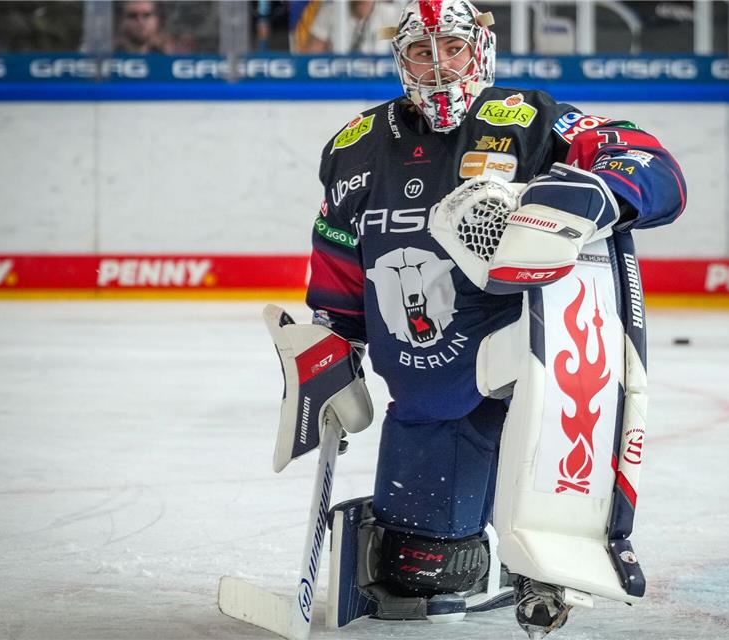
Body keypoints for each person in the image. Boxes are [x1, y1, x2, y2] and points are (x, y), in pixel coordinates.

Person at [294, 0, 686, 636]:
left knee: (536, 516)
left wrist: (602, 188)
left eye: (454, 48)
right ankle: (470, 558)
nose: (441, 66)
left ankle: (544, 547)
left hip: (522, 369)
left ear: (481, 50)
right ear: (401, 59)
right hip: (424, 386)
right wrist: (332, 339)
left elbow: (651, 162)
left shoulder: (528, 119)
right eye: (423, 51)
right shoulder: (355, 146)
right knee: (421, 572)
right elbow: (337, 254)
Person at [293, 0, 401, 54]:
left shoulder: (388, 14)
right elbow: (312, 54)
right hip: (339, 79)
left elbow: (401, 47)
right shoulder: (330, 12)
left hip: (378, 80)